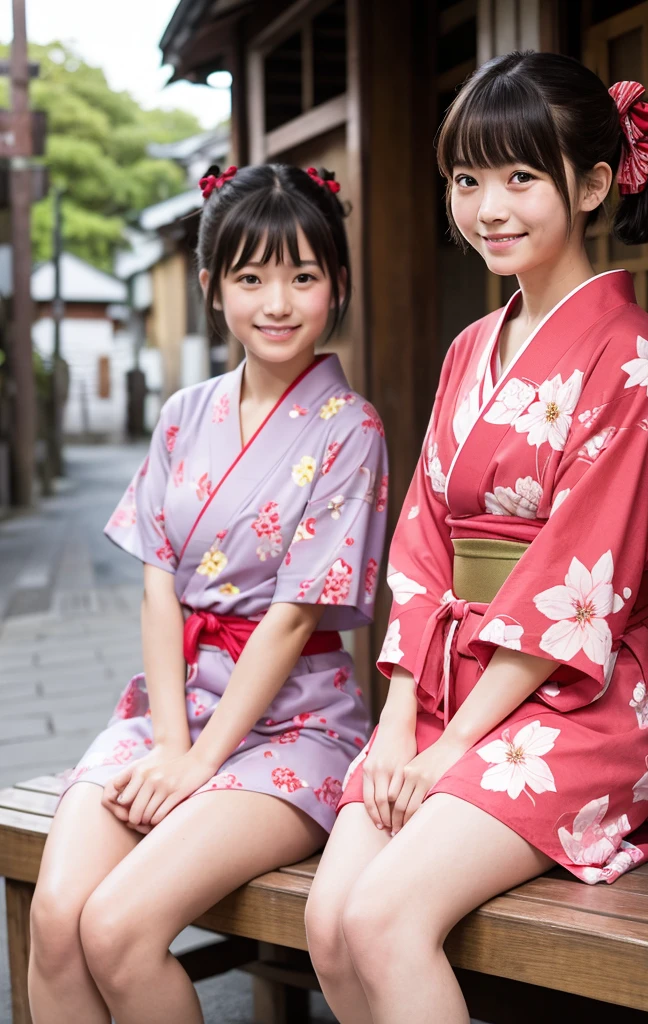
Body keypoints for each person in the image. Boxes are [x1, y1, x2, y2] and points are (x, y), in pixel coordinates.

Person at [306, 52, 648, 1024]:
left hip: (575, 701)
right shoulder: (470, 348)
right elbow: (423, 544)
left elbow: (576, 574)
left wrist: (448, 750)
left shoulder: (631, 353)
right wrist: (395, 729)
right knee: (327, 920)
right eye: (467, 179)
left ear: (592, 183)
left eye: (520, 176)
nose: (487, 207)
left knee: (384, 919)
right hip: (442, 689)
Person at [28, 163, 388, 1024]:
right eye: (251, 276)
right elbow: (160, 590)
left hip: (295, 723)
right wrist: (169, 740)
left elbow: (294, 614)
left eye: (303, 275)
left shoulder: (351, 429)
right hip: (176, 708)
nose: (277, 301)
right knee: (53, 922)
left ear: (337, 284)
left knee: (116, 928)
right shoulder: (185, 412)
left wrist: (196, 763)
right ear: (210, 286)